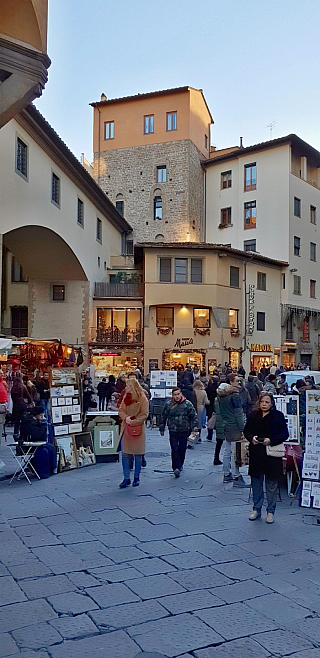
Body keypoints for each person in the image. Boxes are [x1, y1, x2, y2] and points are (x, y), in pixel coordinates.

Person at [244, 392, 289, 523]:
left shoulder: (278, 416)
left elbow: (284, 434)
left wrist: (271, 440)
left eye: (267, 402)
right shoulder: (254, 415)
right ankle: (256, 509)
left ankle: (270, 511)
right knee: (256, 482)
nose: (264, 404)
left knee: (271, 483)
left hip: (271, 454)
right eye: (262, 402)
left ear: (272, 403)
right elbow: (247, 430)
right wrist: (251, 438)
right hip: (256, 452)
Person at [217, 373, 247, 487]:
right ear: (231, 382)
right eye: (237, 381)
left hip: (226, 423)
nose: (239, 383)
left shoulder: (221, 395)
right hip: (234, 425)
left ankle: (226, 473)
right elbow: (238, 413)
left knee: (227, 450)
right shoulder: (234, 395)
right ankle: (236, 475)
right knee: (236, 451)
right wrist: (242, 428)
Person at [160, 386, 197, 478]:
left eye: (178, 394)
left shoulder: (187, 404)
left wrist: (194, 429)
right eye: (175, 395)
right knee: (174, 448)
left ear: (181, 394)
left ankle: (180, 464)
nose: (177, 396)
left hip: (184, 430)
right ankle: (176, 467)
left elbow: (193, 416)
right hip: (173, 430)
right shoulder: (169, 404)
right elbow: (163, 416)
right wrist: (162, 427)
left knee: (182, 449)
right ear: (172, 395)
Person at [118, 377, 149, 488]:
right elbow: (120, 410)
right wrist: (126, 418)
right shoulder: (126, 397)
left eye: (128, 386)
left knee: (137, 454)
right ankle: (126, 478)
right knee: (125, 454)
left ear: (133, 387)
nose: (126, 388)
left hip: (137, 429)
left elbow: (144, 414)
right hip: (126, 428)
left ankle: (136, 477)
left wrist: (133, 421)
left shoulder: (142, 398)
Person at [213, 384, 225, 465]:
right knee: (228, 443)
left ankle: (216, 457)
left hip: (218, 421)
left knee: (219, 441)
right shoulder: (225, 400)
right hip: (225, 421)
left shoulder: (216, 399)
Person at [206, 376, 220, 441]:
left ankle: (210, 435)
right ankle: (218, 435)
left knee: (210, 420)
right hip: (218, 405)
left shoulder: (208, 388)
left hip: (210, 405)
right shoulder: (219, 388)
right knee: (218, 420)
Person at [0, 371, 8, 446]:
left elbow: (6, 392)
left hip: (3, 403)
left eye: (1, 373)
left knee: (1, 422)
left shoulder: (4, 383)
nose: (1, 375)